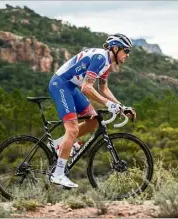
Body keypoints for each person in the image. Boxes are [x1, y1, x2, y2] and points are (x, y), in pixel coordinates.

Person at [48, 33, 137, 188]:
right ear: (115, 48)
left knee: (93, 120)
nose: (127, 55)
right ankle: (58, 174)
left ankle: (59, 145)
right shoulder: (100, 58)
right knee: (73, 130)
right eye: (126, 50)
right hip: (61, 85)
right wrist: (109, 105)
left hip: (71, 87)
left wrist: (121, 107)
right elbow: (87, 88)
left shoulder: (107, 63)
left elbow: (103, 89)